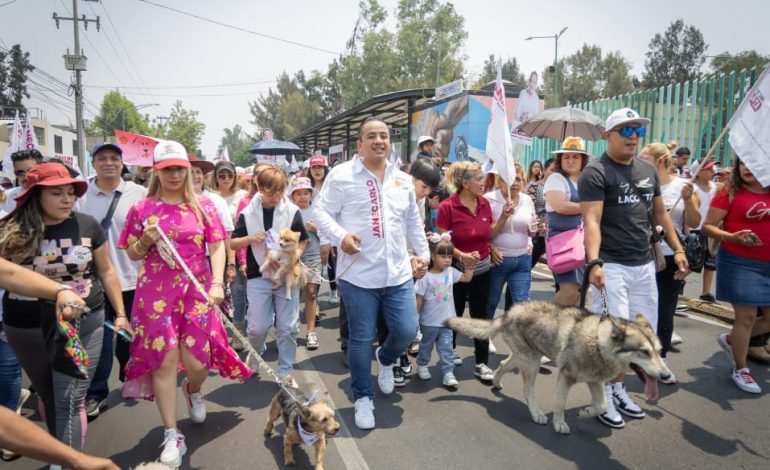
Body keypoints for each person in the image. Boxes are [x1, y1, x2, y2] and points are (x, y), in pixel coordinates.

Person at [118, 141, 251, 467]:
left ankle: (193, 389)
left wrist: (218, 282)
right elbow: (132, 252)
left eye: (179, 168)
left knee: (197, 364)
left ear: (188, 171)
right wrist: (145, 240)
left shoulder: (203, 206)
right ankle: (171, 432)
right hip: (154, 298)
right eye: (167, 169)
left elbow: (218, 245)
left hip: (197, 293)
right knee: (163, 362)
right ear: (156, 172)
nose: (174, 174)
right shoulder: (141, 209)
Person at [0, 162, 127, 457]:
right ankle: (62, 452)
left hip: (85, 323)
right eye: (57, 193)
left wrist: (120, 314)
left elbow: (107, 272)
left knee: (70, 398)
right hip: (27, 328)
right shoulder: (8, 230)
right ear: (35, 195)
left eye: (71, 192)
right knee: (48, 394)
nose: (67, 199)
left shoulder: (88, 225)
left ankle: (69, 462)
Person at [314, 117, 429, 430]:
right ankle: (363, 397)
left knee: (407, 331)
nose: (379, 141)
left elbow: (412, 223)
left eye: (384, 136)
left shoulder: (402, 179)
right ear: (360, 144)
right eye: (372, 136)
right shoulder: (341, 176)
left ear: (389, 142)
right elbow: (320, 213)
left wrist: (424, 255)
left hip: (398, 274)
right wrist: (340, 237)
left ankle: (388, 358)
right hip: (358, 277)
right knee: (361, 339)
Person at [579, 108, 688, 430]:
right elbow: (591, 221)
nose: (632, 136)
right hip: (612, 267)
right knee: (614, 339)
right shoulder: (596, 172)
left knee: (640, 336)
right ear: (608, 135)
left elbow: (660, 214)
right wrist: (595, 262)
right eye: (625, 130)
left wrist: (678, 248)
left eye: (637, 131)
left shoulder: (646, 168)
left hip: (644, 267)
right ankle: (604, 397)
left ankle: (617, 388)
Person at [77, 143, 147, 421]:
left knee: (130, 336)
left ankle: (129, 371)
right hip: (94, 283)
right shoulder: (80, 195)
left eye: (114, 158)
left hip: (133, 278)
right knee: (101, 339)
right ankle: (97, 393)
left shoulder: (139, 193)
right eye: (102, 158)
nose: (108, 163)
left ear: (122, 163)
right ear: (93, 163)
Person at [230, 166, 309, 385]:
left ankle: (285, 370)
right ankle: (256, 352)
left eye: (279, 191)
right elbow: (233, 242)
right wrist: (249, 239)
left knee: (288, 326)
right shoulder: (248, 213)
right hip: (258, 274)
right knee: (257, 327)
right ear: (260, 187)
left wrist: (296, 255)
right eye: (270, 191)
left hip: (286, 275)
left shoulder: (291, 211)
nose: (275, 196)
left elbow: (303, 238)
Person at [703, 157, 770, 394]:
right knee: (747, 317)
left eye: (754, 163)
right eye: (743, 164)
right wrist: (731, 237)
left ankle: (733, 340)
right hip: (741, 263)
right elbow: (708, 226)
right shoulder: (728, 192)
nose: (747, 168)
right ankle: (741, 369)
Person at [436, 161, 506, 383]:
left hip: (483, 271)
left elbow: (489, 235)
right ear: (465, 183)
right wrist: (461, 256)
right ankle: (450, 354)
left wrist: (504, 217)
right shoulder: (447, 207)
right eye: (478, 178)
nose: (483, 182)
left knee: (481, 316)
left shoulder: (484, 203)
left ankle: (481, 362)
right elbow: (441, 242)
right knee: (453, 314)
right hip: (455, 271)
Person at [639, 142, 700, 364]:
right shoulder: (638, 186)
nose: (638, 165)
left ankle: (659, 358)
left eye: (644, 161)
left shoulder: (683, 186)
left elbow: (694, 222)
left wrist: (687, 201)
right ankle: (639, 354)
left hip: (670, 255)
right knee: (642, 308)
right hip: (642, 256)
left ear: (660, 162)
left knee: (665, 308)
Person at [415, 233, 474, 388]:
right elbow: (419, 298)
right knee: (426, 346)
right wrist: (415, 318)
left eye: (449, 256)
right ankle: (422, 364)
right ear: (433, 257)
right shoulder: (425, 277)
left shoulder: (451, 272)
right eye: (443, 256)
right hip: (429, 322)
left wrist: (471, 264)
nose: (447, 260)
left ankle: (448, 372)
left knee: (447, 347)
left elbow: (467, 278)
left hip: (448, 320)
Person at [485, 167, 537, 325]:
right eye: (510, 179)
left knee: (523, 305)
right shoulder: (489, 199)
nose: (514, 183)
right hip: (497, 261)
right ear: (501, 181)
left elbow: (531, 232)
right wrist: (503, 216)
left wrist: (535, 229)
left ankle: (523, 346)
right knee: (491, 302)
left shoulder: (527, 200)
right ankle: (485, 339)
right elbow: (487, 235)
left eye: (518, 179)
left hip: (522, 261)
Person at [544, 137, 592, 306]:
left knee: (580, 292)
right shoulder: (556, 178)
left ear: (583, 159)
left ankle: (565, 330)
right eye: (566, 157)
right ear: (560, 160)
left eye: (575, 156)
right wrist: (589, 206)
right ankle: (543, 325)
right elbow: (560, 206)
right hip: (563, 243)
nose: (570, 160)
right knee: (569, 291)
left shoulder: (587, 180)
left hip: (584, 242)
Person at [289, 176, 323, 351]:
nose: (302, 197)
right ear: (292, 196)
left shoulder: (318, 211)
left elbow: (328, 235)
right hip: (293, 259)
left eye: (306, 193)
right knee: (293, 296)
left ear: (311, 194)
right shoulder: (288, 211)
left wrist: (315, 229)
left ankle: (311, 332)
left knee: (310, 293)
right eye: (298, 193)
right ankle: (290, 329)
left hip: (313, 257)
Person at [306, 155, 338, 305]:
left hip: (328, 230)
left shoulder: (331, 186)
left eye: (320, 167)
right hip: (310, 232)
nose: (317, 170)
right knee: (315, 264)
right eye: (314, 167)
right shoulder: (306, 188)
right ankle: (313, 299)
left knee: (331, 261)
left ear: (325, 168)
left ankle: (333, 290)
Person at [692, 161, 718, 302]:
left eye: (713, 168)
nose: (712, 171)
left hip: (711, 230)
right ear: (699, 171)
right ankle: (678, 285)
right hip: (696, 230)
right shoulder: (693, 188)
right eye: (709, 169)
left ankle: (706, 293)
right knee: (694, 262)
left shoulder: (715, 187)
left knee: (710, 263)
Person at [526, 158, 551, 269]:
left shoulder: (560, 189)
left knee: (559, 268)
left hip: (555, 233)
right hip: (539, 233)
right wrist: (537, 224)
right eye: (552, 170)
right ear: (544, 170)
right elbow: (530, 210)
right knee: (529, 264)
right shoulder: (535, 186)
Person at [3, 149, 43, 213]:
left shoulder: (53, 195)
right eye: (20, 172)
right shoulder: (7, 196)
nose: (26, 176)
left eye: (31, 171)